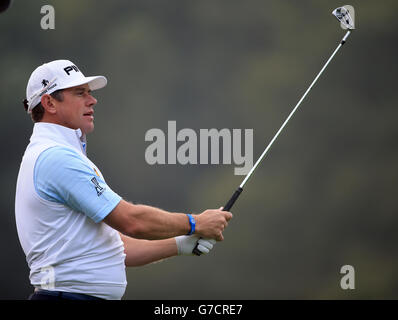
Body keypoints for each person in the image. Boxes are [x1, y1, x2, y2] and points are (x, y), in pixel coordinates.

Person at [15, 59, 232, 300]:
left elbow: (117, 247)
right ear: (49, 103)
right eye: (79, 93)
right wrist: (194, 222)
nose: (92, 100)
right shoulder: (56, 157)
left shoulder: (56, 152)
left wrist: (180, 244)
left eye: (89, 92)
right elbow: (131, 221)